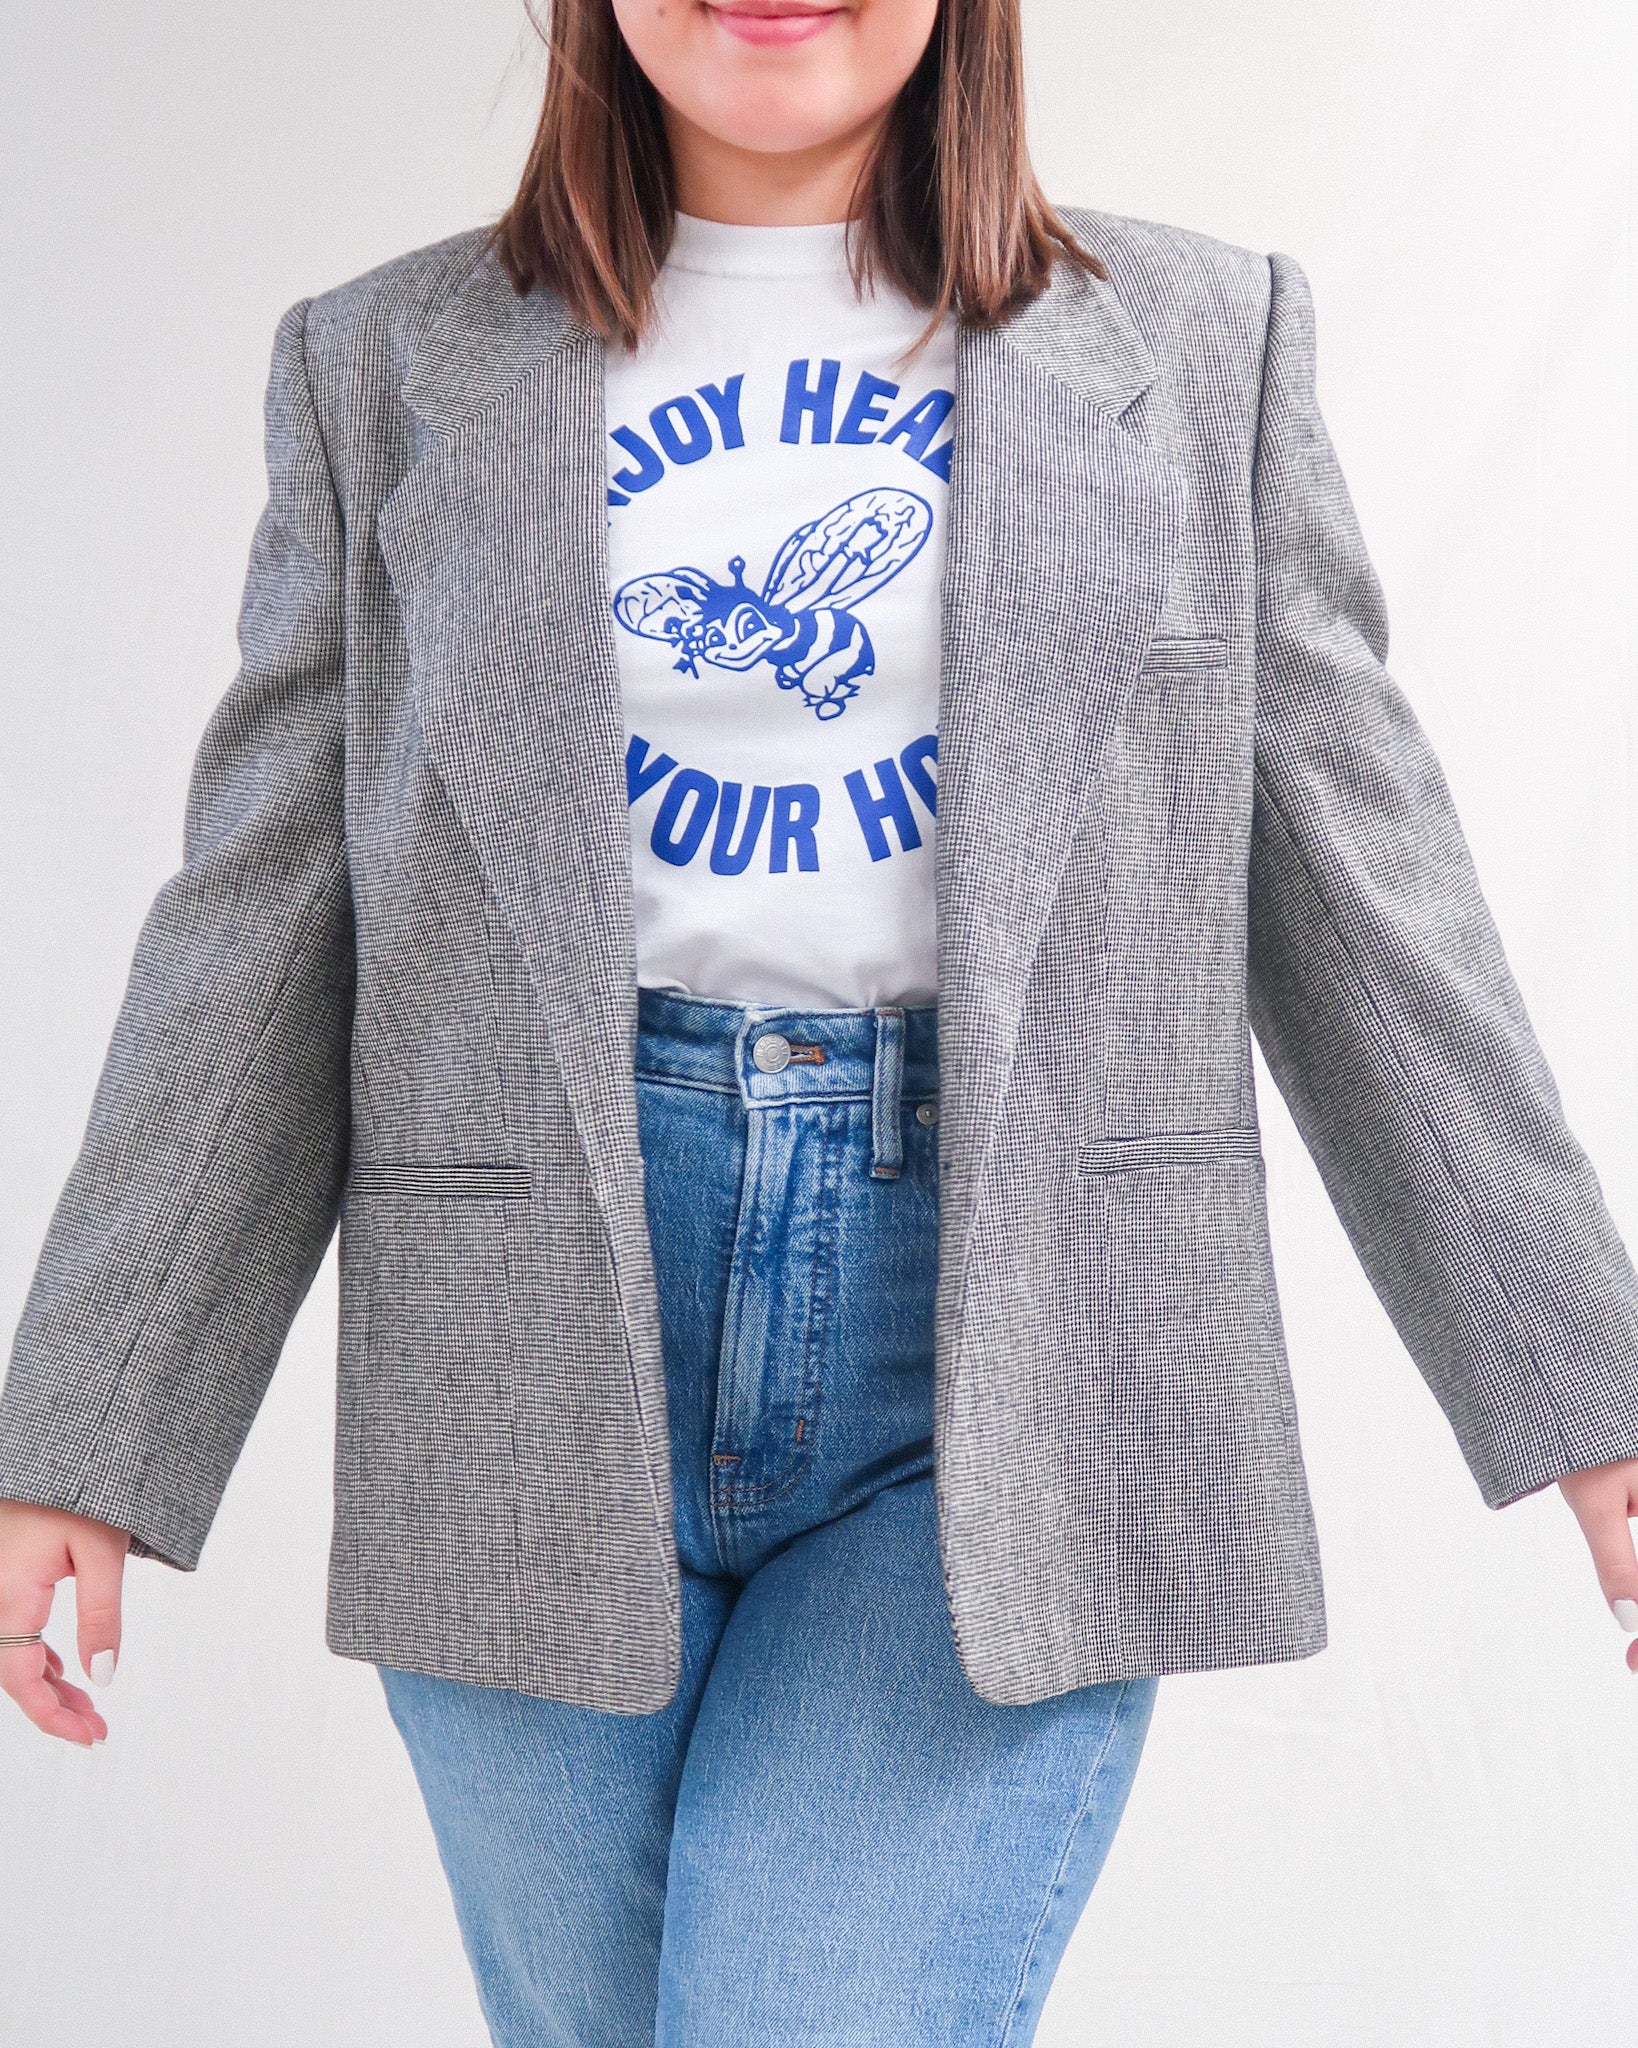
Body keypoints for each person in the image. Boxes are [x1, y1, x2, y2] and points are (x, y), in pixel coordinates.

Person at [3, 0, 1636, 2041]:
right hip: (521, 1372)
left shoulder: (1203, 349)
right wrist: (91, 1426)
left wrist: (1591, 1382)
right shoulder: (384, 367)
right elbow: (258, 921)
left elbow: (1369, 900)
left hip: (994, 1374)